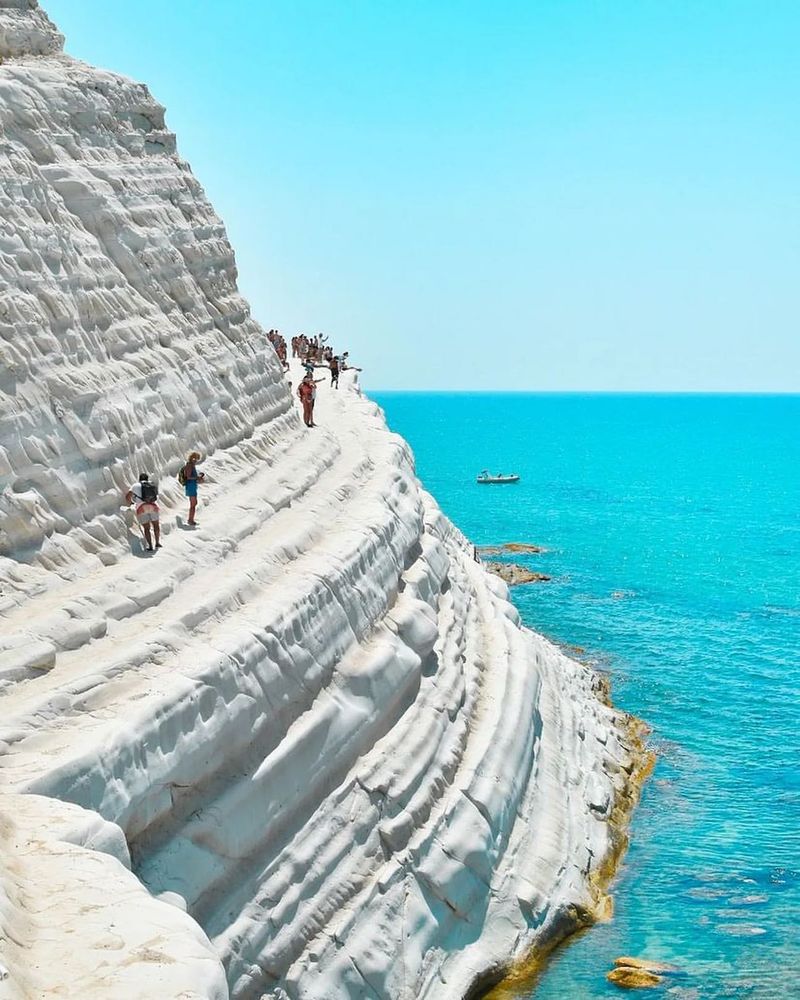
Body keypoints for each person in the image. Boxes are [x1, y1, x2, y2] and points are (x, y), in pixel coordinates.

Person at [126, 473, 161, 551]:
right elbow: (156, 495)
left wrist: (131, 502)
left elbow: (128, 496)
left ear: (139, 479)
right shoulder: (152, 484)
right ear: (147, 479)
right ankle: (157, 543)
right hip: (153, 506)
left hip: (142, 508)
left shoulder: (135, 485)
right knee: (156, 525)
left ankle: (150, 546)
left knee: (146, 528)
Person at [181, 452, 204, 526]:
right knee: (193, 504)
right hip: (191, 486)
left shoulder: (191, 465)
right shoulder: (190, 466)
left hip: (192, 486)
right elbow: (188, 477)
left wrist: (198, 477)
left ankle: (191, 519)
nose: (196, 461)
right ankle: (190, 520)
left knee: (194, 503)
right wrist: (197, 478)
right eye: (196, 459)